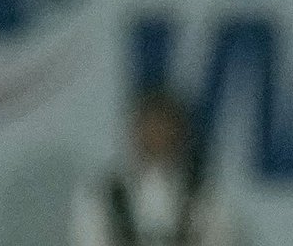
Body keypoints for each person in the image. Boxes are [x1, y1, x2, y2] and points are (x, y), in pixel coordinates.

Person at [70, 87, 245, 246]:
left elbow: (221, 238)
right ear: (134, 132)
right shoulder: (101, 194)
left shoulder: (206, 197)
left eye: (166, 126)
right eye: (151, 126)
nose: (158, 135)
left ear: (181, 133)